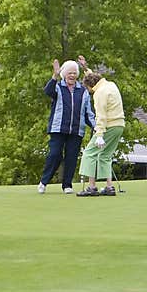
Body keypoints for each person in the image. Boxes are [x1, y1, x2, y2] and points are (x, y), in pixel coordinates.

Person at [37, 57, 95, 194]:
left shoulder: (83, 91)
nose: (72, 75)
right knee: (55, 154)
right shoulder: (58, 87)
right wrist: (55, 75)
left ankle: (67, 185)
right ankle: (44, 182)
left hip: (76, 130)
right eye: (69, 73)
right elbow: (47, 91)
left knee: (72, 157)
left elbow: (88, 113)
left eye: (74, 73)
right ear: (64, 74)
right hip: (58, 128)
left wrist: (95, 126)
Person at [76, 61, 125, 197]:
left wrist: (99, 135)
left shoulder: (99, 93)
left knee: (89, 153)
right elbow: (93, 77)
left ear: (91, 87)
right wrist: (85, 68)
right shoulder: (110, 84)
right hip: (119, 125)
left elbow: (101, 116)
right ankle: (109, 187)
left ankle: (92, 187)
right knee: (105, 156)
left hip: (108, 126)